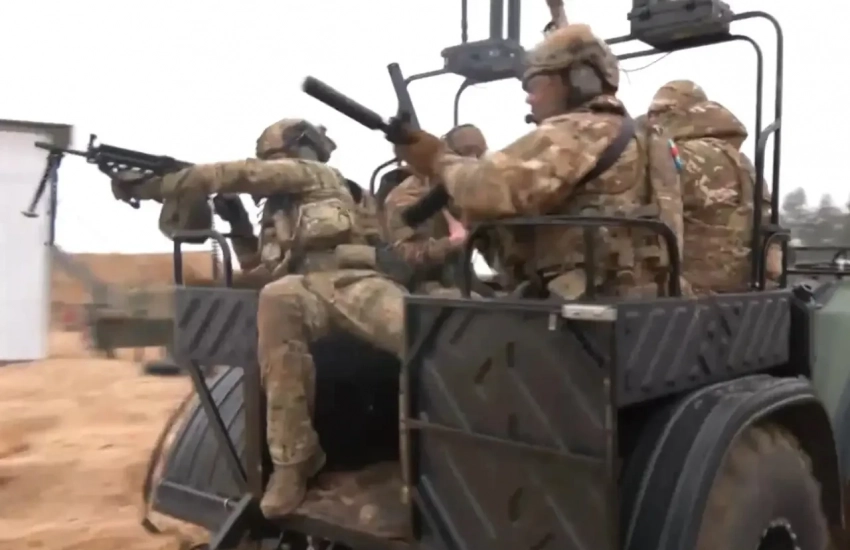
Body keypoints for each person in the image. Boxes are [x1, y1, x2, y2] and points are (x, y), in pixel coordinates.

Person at [112, 118, 413, 518]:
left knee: (420, 333)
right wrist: (238, 225)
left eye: (277, 157)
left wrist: (157, 185)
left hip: (357, 281)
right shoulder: (277, 212)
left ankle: (426, 463)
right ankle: (294, 462)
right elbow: (261, 269)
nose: (273, 166)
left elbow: (241, 174)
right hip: (303, 289)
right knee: (276, 299)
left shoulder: (318, 176)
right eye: (269, 159)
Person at [388, 23, 684, 299]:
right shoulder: (645, 136)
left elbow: (489, 189)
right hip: (642, 303)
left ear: (577, 81)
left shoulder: (576, 131)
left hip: (577, 313)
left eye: (536, 85)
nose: (529, 98)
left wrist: (438, 159)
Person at [647, 79, 781, 293]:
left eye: (659, 112)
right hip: (745, 289)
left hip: (689, 293)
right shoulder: (745, 163)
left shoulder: (678, 156)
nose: (652, 120)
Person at [383, 125, 490, 292]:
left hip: (463, 278)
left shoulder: (478, 191)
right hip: (421, 284)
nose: (473, 160)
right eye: (465, 152)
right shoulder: (406, 196)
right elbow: (401, 256)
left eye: (480, 153)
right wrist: (450, 244)